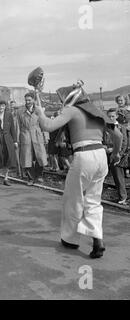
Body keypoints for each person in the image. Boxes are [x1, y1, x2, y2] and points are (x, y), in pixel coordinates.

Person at [35, 85, 122, 259]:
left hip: (83, 155)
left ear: (70, 98)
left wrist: (39, 112)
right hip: (101, 155)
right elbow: (118, 136)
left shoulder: (72, 110)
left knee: (73, 199)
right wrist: (116, 153)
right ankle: (98, 239)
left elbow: (47, 126)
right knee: (93, 201)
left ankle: (70, 240)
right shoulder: (97, 111)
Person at [17, 92, 48, 185]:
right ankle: (31, 178)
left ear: (33, 100)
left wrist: (46, 136)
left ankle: (38, 176)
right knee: (27, 158)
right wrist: (17, 139)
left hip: (37, 135)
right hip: (25, 135)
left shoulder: (39, 110)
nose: (27, 102)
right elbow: (17, 125)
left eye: (29, 100)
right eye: (26, 100)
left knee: (40, 157)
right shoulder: (20, 111)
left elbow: (44, 124)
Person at [103, 108, 128, 204]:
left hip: (117, 156)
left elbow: (124, 143)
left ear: (117, 116)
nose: (111, 118)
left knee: (118, 177)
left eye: (113, 116)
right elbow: (102, 139)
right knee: (108, 176)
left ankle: (123, 197)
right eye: (109, 116)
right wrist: (104, 146)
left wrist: (117, 153)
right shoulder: (104, 127)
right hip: (105, 154)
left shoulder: (122, 128)